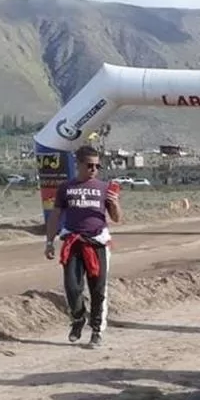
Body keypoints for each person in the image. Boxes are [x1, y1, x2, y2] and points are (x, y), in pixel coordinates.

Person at [44, 145, 122, 346]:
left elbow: (117, 218)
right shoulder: (66, 188)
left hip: (97, 243)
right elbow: (55, 215)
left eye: (97, 165)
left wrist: (114, 204)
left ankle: (97, 330)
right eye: (89, 165)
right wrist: (49, 241)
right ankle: (78, 318)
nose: (94, 169)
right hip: (73, 242)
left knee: (98, 289)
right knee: (72, 287)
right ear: (78, 164)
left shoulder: (104, 188)